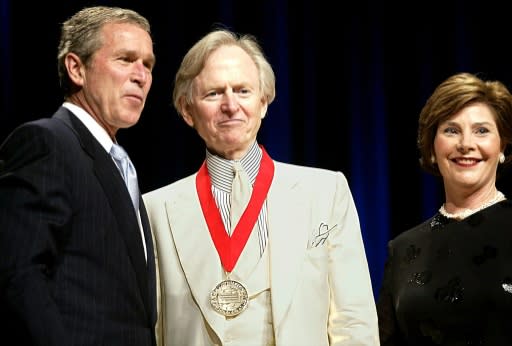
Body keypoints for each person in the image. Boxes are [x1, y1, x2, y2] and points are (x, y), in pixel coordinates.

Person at [143, 28, 379, 345]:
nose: (230, 105)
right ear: (187, 111)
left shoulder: (326, 192)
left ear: (264, 102)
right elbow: (151, 331)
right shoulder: (154, 209)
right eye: (213, 93)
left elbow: (354, 322)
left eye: (242, 91)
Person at [0, 6, 157, 346]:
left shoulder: (118, 162)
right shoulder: (47, 143)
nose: (141, 75)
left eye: (148, 64)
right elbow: (19, 277)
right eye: (125, 59)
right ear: (76, 68)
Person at [377, 72, 512, 345]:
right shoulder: (403, 249)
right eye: (451, 130)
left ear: (502, 146)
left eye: (481, 131)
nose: (465, 144)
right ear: (431, 148)